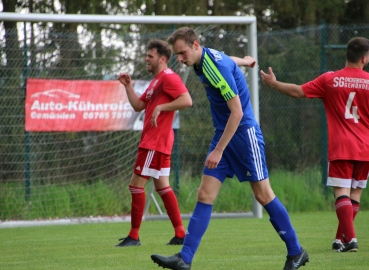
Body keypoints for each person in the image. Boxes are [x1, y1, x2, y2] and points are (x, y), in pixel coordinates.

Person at [151, 27, 309, 270]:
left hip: (244, 134)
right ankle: (185, 259)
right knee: (205, 194)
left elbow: (237, 112)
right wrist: (245, 61)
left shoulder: (216, 68)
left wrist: (218, 151)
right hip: (224, 132)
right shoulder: (203, 59)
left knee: (263, 195)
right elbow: (227, 59)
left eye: (182, 53)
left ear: (195, 45)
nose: (180, 59)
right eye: (177, 55)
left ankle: (296, 252)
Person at [260, 37, 369, 253]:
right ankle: (340, 239)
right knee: (355, 194)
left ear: (347, 55)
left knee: (342, 193)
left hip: (341, 147)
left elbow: (298, 91)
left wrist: (274, 84)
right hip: (365, 147)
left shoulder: (330, 79)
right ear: (365, 58)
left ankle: (352, 240)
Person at [116, 39, 192, 247]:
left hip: (154, 143)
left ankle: (134, 236)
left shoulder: (168, 77)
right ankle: (180, 234)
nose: (146, 59)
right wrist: (128, 86)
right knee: (162, 186)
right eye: (146, 55)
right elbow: (139, 105)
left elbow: (186, 100)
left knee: (135, 186)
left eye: (150, 56)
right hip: (158, 143)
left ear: (163, 58)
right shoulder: (156, 80)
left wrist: (161, 108)